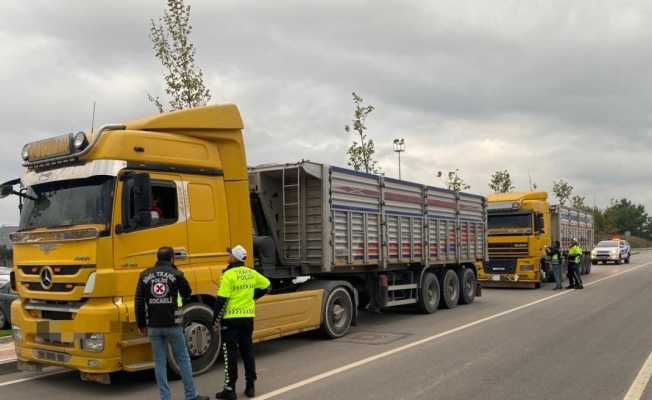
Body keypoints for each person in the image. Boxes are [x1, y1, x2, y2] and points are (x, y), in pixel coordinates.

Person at [135, 247, 209, 400]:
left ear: (157, 258)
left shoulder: (144, 275)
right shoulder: (176, 274)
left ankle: (165, 398)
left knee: (160, 362)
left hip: (154, 326)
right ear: (172, 259)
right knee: (183, 359)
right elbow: (187, 293)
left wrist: (141, 324)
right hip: (173, 325)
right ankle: (191, 395)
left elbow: (139, 302)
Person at [213, 245, 271, 400]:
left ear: (234, 258)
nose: (228, 255)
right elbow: (267, 285)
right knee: (247, 351)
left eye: (229, 254)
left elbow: (222, 300)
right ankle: (250, 386)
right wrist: (253, 296)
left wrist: (215, 321)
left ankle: (230, 389)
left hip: (230, 320)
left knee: (229, 354)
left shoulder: (228, 274)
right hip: (247, 318)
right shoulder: (251, 273)